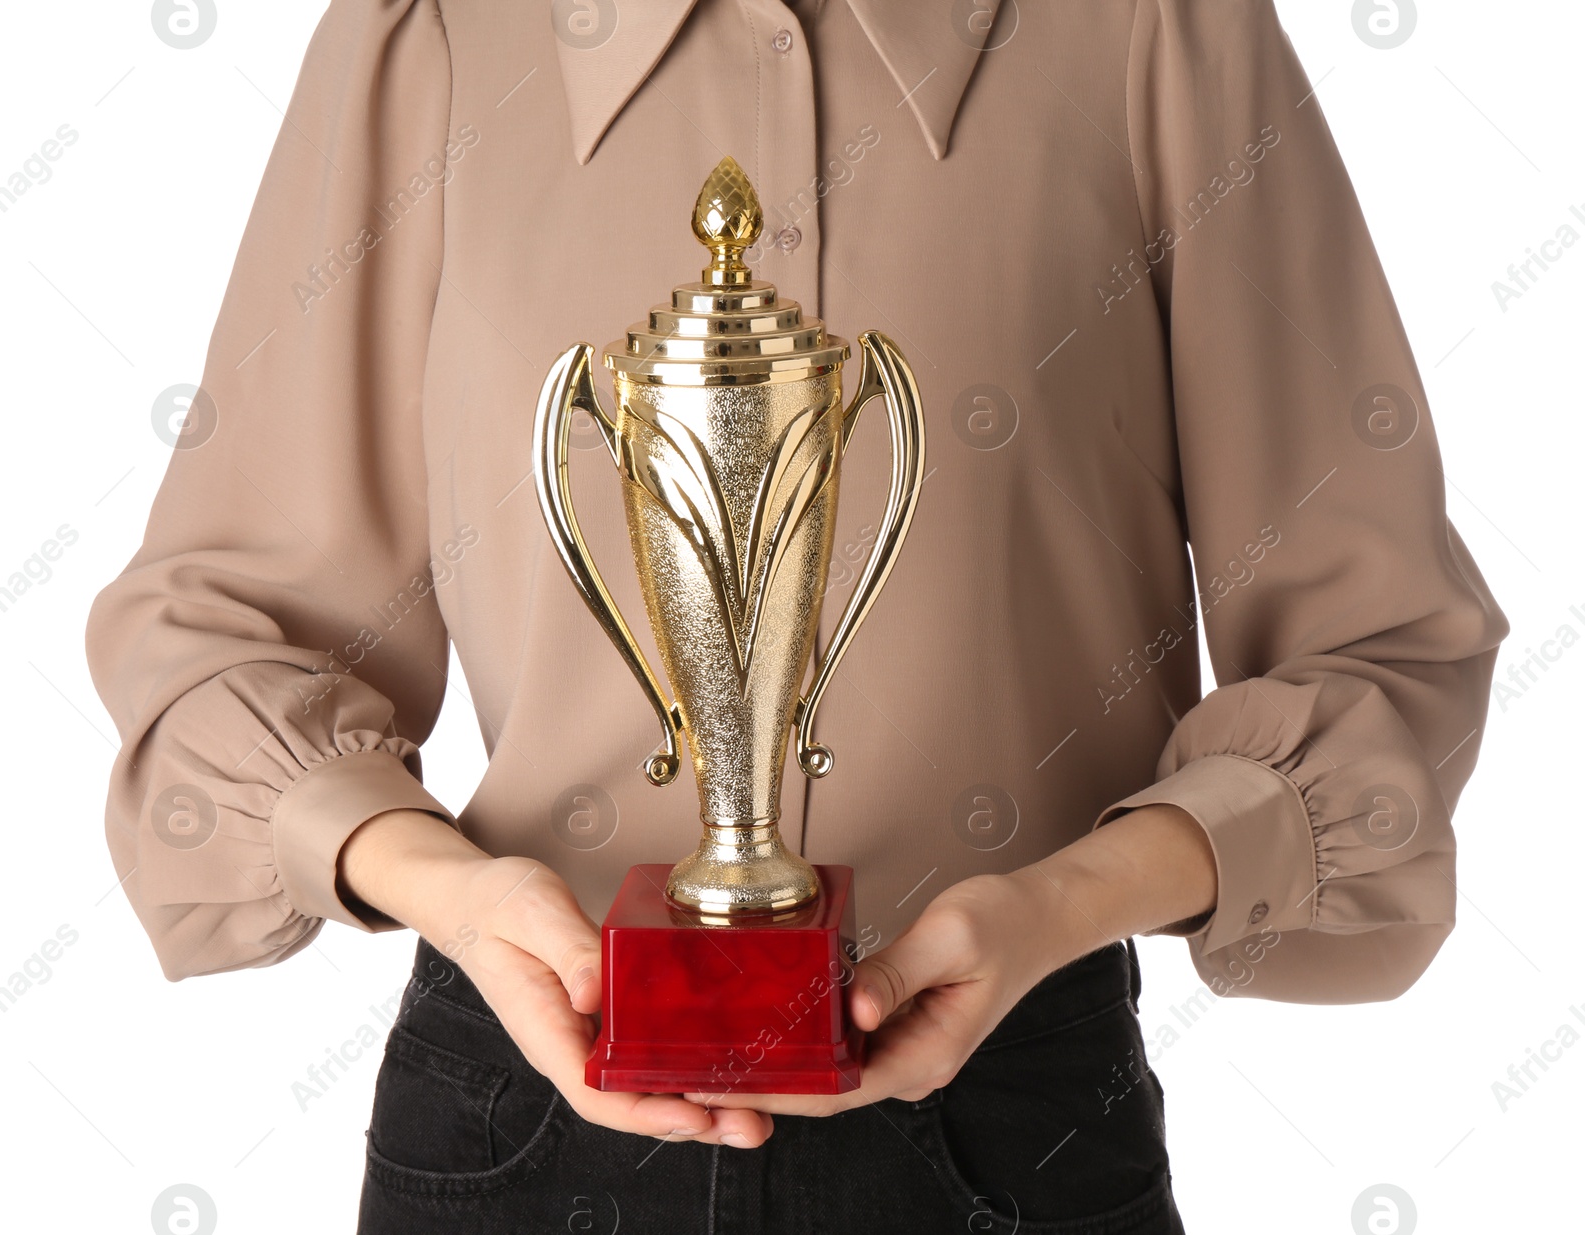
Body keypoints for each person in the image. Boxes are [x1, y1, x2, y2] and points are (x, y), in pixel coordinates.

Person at [87, 1, 1508, 1231]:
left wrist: (1057, 906)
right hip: (522, 1108)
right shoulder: (439, 34)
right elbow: (226, 633)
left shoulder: (1156, 31)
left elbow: (1376, 640)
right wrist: (457, 895)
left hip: (1012, 1116)